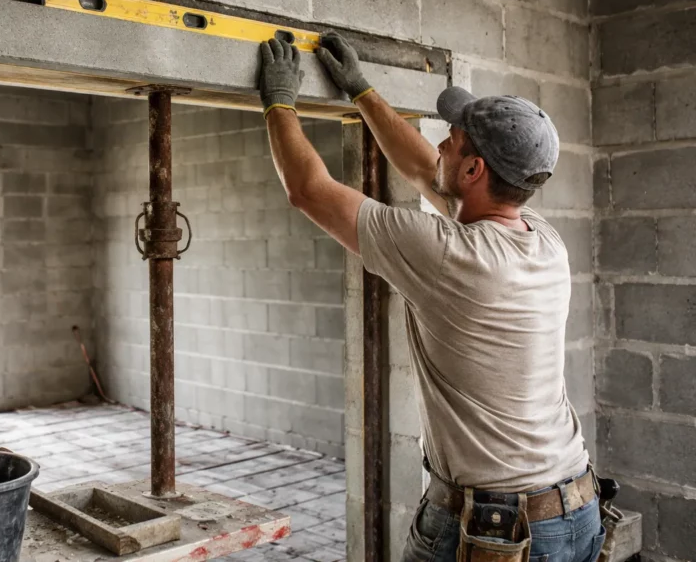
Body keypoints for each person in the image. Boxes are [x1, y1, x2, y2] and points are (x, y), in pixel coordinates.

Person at [258, 34, 605, 561]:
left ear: (474, 171)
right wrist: (362, 90)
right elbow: (427, 171)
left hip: (500, 531)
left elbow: (309, 189)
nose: (439, 142)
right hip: (575, 508)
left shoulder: (450, 257)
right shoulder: (542, 239)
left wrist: (279, 101)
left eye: (453, 138)